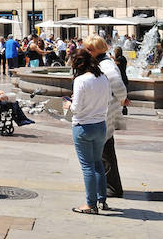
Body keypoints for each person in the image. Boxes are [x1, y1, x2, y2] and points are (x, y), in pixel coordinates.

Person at [65, 49, 111, 214]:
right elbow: (108, 100)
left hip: (83, 126)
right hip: (100, 125)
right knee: (98, 163)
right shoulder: (103, 78)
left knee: (87, 166)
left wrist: (68, 105)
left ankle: (90, 204)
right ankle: (102, 200)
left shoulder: (80, 80)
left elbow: (76, 109)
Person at [83, 35, 128, 199]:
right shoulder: (104, 62)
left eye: (89, 49)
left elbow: (119, 85)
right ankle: (110, 185)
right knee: (105, 149)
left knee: (105, 151)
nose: (86, 52)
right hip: (106, 111)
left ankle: (112, 187)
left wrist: (122, 99)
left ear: (95, 50)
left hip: (106, 113)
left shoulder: (106, 65)